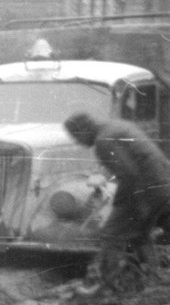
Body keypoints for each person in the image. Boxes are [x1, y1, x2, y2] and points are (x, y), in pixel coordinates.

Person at [64, 111, 170, 291]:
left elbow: (129, 175)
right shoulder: (118, 127)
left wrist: (121, 205)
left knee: (111, 235)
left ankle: (106, 286)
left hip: (147, 190)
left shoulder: (103, 140)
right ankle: (152, 279)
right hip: (161, 185)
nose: (78, 142)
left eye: (76, 137)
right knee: (140, 234)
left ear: (84, 129)